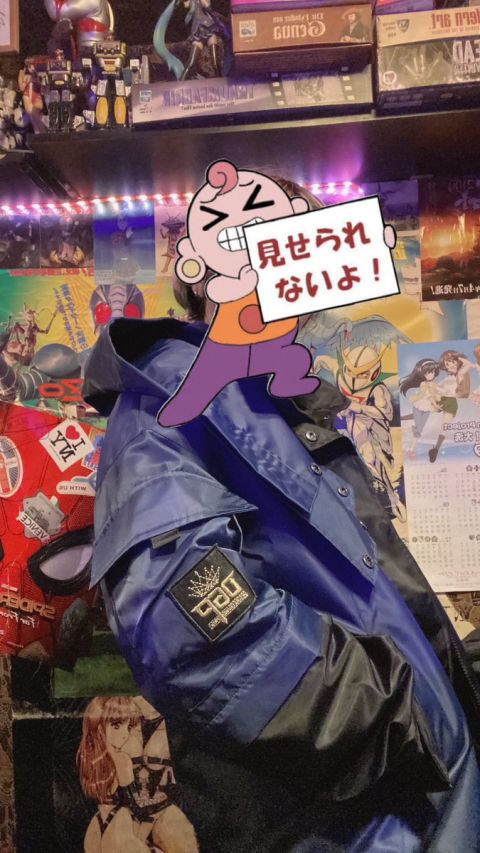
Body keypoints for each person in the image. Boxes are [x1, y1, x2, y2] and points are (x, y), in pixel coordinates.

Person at [84, 174, 480, 853]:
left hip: (408, 806)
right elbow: (188, 627)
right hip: (357, 819)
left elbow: (361, 593)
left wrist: (446, 676)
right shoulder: (167, 400)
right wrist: (395, 715)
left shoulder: (264, 400)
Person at [77, 696, 198, 853]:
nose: (125, 734)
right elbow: (140, 807)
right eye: (117, 726)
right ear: (100, 728)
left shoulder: (91, 758)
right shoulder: (123, 760)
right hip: (123, 826)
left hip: (99, 826)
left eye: (128, 727)